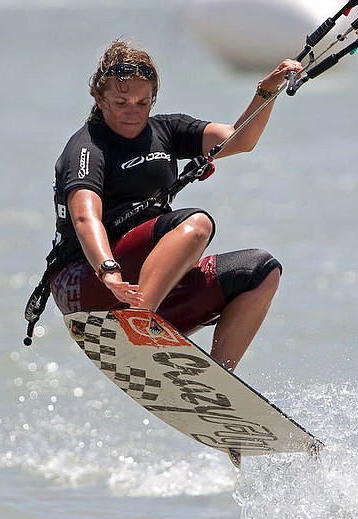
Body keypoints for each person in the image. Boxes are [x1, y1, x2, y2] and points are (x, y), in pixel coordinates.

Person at [49, 39, 300, 371]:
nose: (132, 112)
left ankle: (217, 380)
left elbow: (240, 139)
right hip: (89, 285)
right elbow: (84, 217)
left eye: (142, 102)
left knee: (261, 271)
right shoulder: (88, 147)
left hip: (146, 290)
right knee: (196, 224)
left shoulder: (166, 130)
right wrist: (108, 272)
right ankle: (137, 328)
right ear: (99, 97)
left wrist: (266, 92)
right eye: (121, 101)